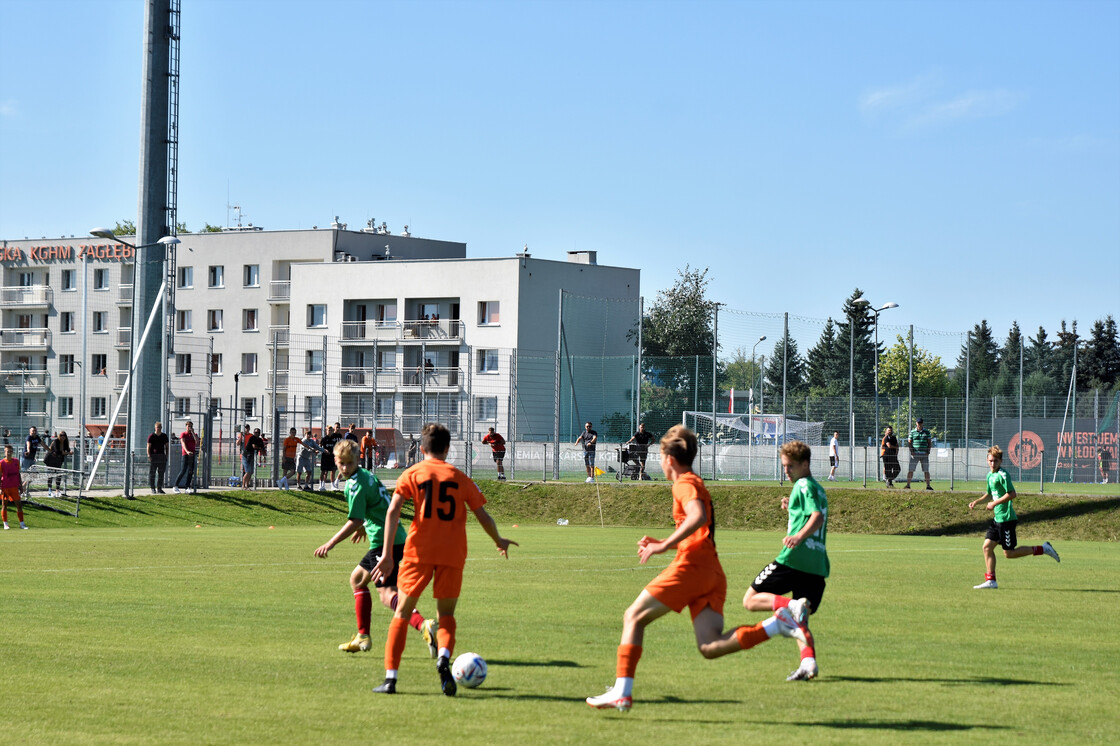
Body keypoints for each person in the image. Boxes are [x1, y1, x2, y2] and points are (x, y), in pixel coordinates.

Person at [586, 426, 809, 712]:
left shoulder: (683, 483)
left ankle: (622, 691)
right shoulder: (694, 481)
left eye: (661, 456)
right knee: (710, 645)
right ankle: (776, 624)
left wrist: (664, 544)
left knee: (633, 616)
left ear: (669, 458)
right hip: (711, 571)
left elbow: (698, 516)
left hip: (692, 565)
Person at [371, 422, 517, 695]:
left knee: (402, 613)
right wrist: (499, 540)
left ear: (422, 448)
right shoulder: (459, 476)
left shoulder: (411, 473)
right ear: (448, 449)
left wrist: (389, 554)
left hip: (419, 551)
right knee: (446, 614)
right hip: (452, 551)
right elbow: (482, 515)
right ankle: (443, 658)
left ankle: (391, 679)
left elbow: (392, 512)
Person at [314, 439, 437, 656]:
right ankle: (363, 636)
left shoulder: (354, 484)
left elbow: (354, 520)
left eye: (348, 464)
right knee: (357, 579)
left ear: (357, 460)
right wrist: (364, 524)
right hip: (395, 536)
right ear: (335, 460)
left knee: (387, 593)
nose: (344, 468)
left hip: (384, 541)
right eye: (341, 463)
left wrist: (330, 543)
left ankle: (422, 624)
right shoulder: (366, 475)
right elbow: (376, 506)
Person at [742, 439, 828, 682]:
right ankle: (808, 663)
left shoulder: (802, 485)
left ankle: (789, 605)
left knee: (750, 600)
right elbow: (809, 511)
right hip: (816, 565)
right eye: (784, 466)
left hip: (794, 559)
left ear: (805, 464)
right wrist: (790, 507)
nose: (786, 471)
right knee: (800, 620)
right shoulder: (817, 488)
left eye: (790, 466)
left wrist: (798, 536)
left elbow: (817, 517)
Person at [968, 445, 1060, 589]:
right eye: (991, 461)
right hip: (997, 520)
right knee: (986, 547)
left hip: (1007, 520)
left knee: (1009, 553)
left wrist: (994, 504)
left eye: (996, 461)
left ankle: (1043, 549)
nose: (993, 464)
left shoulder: (1003, 475)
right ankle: (991, 580)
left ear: (1001, 461)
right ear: (987, 460)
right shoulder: (990, 476)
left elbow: (1012, 494)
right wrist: (977, 502)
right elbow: (990, 494)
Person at [904, 417, 934, 490]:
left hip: (924, 454)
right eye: (918, 423)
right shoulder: (912, 432)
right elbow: (910, 442)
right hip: (915, 453)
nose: (919, 424)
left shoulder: (927, 432)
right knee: (911, 469)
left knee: (926, 470)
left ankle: (928, 485)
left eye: (920, 423)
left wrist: (928, 451)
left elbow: (929, 442)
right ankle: (908, 485)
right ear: (916, 423)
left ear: (922, 423)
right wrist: (912, 451)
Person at [1, 444, 26, 530]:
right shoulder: (1, 463)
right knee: (4, 505)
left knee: (19, 505)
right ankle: (5, 524)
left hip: (14, 487)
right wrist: (0, 488)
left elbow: (18, 474)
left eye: (11, 451)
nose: (9, 453)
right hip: (5, 487)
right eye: (8, 451)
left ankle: (22, 524)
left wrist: (21, 485)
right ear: (5, 452)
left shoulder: (16, 461)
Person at [44, 430, 72, 498]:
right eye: (61, 435)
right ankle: (50, 491)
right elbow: (57, 451)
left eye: (64, 435)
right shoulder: (56, 441)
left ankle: (57, 490)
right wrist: (67, 453)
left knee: (59, 475)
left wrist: (68, 451)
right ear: (59, 436)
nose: (63, 437)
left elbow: (67, 449)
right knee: (50, 475)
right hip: (51, 460)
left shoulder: (65, 443)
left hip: (58, 460)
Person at [173, 420, 197, 493]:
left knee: (191, 471)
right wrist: (187, 451)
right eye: (188, 426)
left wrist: (193, 433)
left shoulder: (194, 434)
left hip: (192, 454)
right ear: (186, 427)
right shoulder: (183, 434)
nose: (189, 427)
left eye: (191, 426)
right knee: (183, 470)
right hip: (185, 454)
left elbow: (197, 442)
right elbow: (183, 443)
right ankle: (175, 486)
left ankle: (187, 487)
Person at [147, 422, 169, 494]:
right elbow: (148, 447)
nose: (158, 429)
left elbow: (167, 446)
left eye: (159, 427)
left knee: (161, 473)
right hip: (154, 456)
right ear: (155, 428)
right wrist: (149, 455)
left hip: (161, 456)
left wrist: (167, 455)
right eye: (157, 427)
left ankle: (159, 488)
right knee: (152, 473)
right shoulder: (151, 436)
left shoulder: (164, 436)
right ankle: (152, 488)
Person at [320, 423, 343, 490]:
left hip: (334, 456)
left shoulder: (339, 436)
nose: (338, 428)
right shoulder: (327, 437)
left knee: (334, 470)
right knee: (325, 471)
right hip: (326, 457)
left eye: (339, 427)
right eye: (336, 427)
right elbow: (320, 446)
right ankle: (322, 485)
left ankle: (333, 485)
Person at [21, 425, 42, 496]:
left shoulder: (37, 438)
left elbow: (43, 444)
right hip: (26, 458)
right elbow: (28, 445)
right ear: (30, 432)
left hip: (32, 459)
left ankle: (23, 487)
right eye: (33, 431)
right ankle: (23, 492)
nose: (34, 432)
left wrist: (50, 451)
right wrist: (28, 451)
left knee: (34, 475)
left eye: (35, 431)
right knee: (24, 475)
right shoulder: (28, 437)